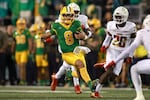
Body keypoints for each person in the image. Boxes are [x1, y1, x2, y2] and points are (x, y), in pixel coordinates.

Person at [41, 6, 95, 97]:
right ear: (61, 15)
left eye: (70, 15)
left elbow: (82, 35)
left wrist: (82, 35)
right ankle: (77, 86)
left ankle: (58, 77)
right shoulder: (57, 24)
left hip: (76, 50)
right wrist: (43, 37)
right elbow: (49, 34)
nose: (67, 17)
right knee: (77, 65)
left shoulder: (77, 22)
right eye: (65, 15)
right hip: (66, 52)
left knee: (78, 66)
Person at [102, 15, 150, 100]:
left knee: (134, 69)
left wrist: (115, 61)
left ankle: (140, 96)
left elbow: (129, 49)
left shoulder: (142, 33)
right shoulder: (139, 32)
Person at [93, 6, 136, 98]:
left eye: (120, 17)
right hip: (112, 50)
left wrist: (130, 55)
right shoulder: (111, 25)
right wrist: (104, 46)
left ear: (125, 17)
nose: (118, 19)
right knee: (109, 71)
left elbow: (133, 42)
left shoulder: (131, 27)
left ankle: (104, 65)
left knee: (113, 77)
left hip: (122, 53)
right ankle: (96, 91)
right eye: (117, 17)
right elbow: (108, 37)